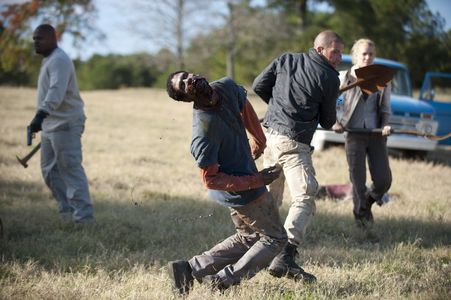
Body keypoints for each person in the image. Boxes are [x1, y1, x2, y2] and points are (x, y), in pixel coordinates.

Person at [165, 71, 287, 294]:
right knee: (275, 238)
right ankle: (223, 281)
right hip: (242, 192)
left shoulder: (227, 87)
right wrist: (256, 180)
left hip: (247, 182)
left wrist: (258, 141)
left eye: (186, 75)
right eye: (183, 84)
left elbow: (244, 106)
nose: (189, 79)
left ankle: (190, 269)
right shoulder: (203, 130)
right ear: (186, 98)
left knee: (249, 238)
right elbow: (211, 180)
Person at [252, 30, 344, 282]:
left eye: (341, 52)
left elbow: (258, 85)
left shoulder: (286, 59)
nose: (338, 57)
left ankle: (262, 246)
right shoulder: (329, 77)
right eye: (334, 51)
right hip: (293, 144)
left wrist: (280, 107)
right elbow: (327, 121)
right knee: (305, 195)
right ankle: (286, 253)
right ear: (319, 49)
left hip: (270, 136)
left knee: (271, 197)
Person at [28, 24, 94, 224]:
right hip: (51, 125)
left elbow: (56, 91)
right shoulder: (49, 60)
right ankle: (67, 212)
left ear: (52, 38)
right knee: (49, 171)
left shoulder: (59, 59)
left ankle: (83, 219)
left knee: (70, 170)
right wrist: (41, 120)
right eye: (34, 39)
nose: (35, 42)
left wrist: (40, 114)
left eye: (39, 38)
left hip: (66, 124)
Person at [332, 38, 392, 228]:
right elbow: (333, 103)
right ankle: (362, 221)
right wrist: (335, 122)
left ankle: (365, 203)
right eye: (363, 54)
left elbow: (385, 108)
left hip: (375, 134)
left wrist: (385, 125)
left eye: (370, 54)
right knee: (358, 181)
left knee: (383, 181)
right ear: (355, 56)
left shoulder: (381, 79)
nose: (367, 57)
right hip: (353, 133)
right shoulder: (344, 77)